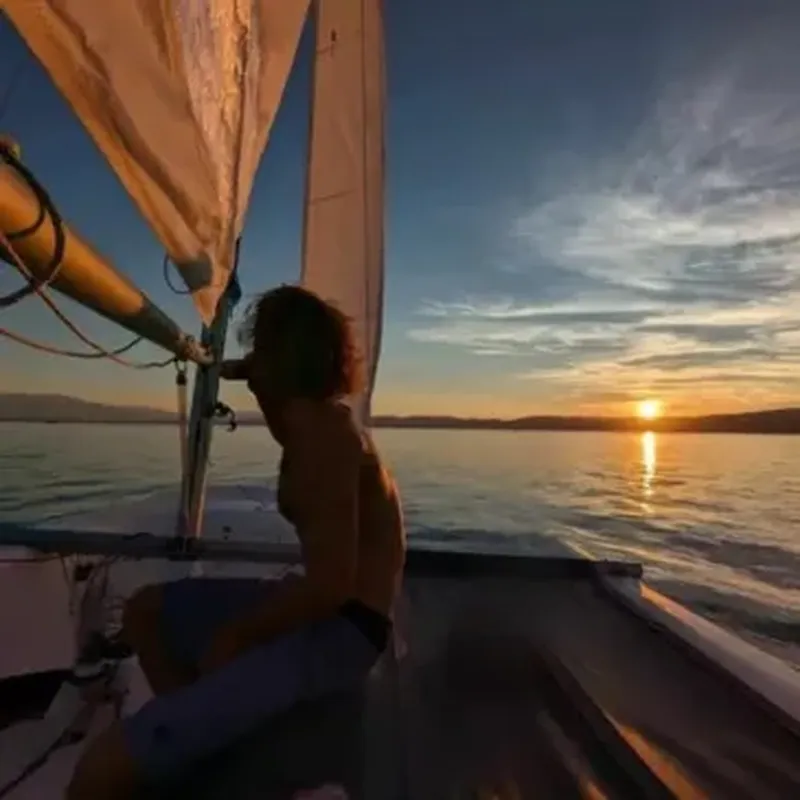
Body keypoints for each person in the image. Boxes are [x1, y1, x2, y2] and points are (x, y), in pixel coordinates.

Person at [67, 285, 406, 799]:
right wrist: (216, 363)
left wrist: (239, 636)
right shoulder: (315, 413)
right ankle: (202, 752)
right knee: (146, 612)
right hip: (333, 611)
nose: (252, 365)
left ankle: (191, 741)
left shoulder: (321, 441)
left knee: (96, 775)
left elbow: (332, 585)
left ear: (281, 360)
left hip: (342, 633)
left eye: (260, 347)